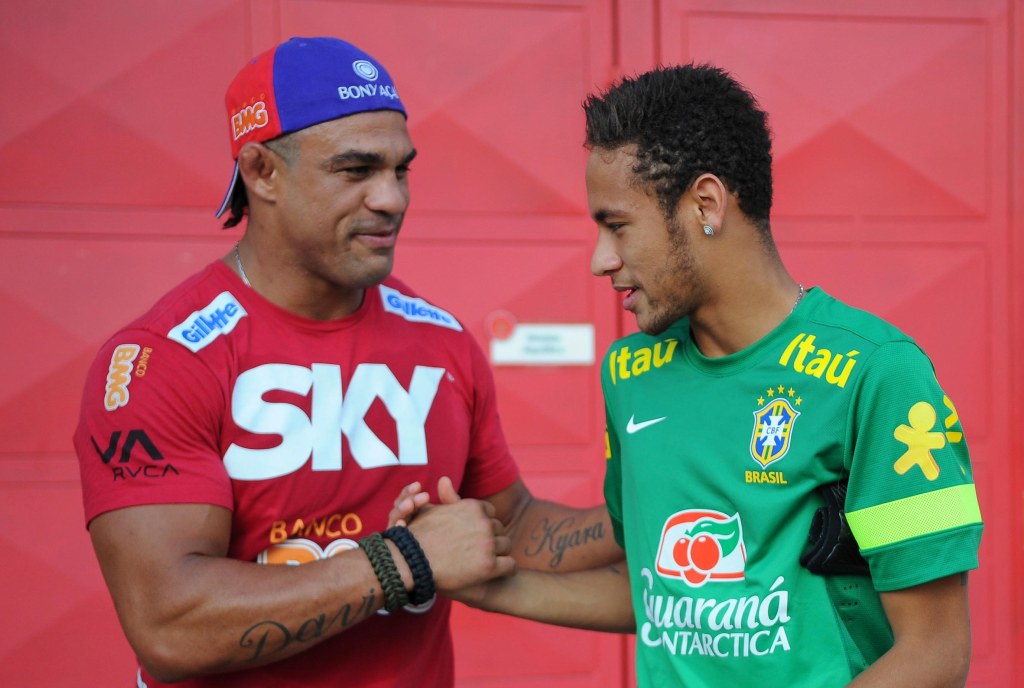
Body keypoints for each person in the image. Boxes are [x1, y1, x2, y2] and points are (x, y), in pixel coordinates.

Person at [410, 63, 984, 687]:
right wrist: (491, 588)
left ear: (705, 205)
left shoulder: (877, 373)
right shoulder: (631, 370)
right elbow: (660, 597)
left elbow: (935, 652)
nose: (602, 260)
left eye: (617, 224)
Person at [73, 36, 619, 688]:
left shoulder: (440, 344)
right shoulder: (165, 361)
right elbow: (168, 624)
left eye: (401, 169)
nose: (392, 199)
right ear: (260, 172)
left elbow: (514, 528)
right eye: (356, 171)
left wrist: (665, 503)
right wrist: (403, 560)